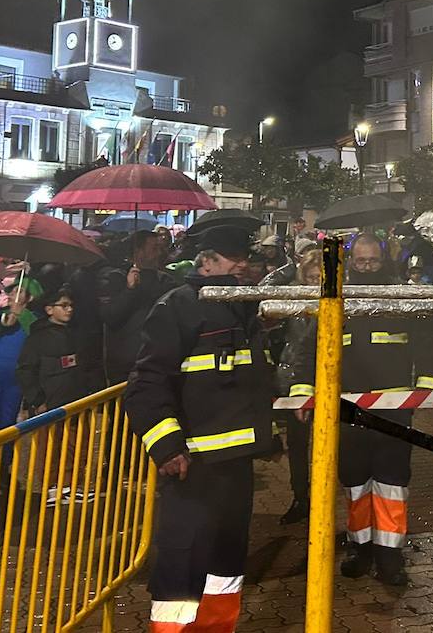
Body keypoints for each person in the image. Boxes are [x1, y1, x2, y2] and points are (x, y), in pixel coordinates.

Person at [125, 225, 272, 633]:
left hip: (236, 464)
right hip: (194, 464)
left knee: (226, 563)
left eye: (245, 257)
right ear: (205, 262)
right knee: (183, 562)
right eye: (232, 257)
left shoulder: (244, 308)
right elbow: (146, 385)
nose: (243, 265)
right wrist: (168, 447)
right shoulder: (179, 306)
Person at [290, 234, 433, 586]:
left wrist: (425, 389)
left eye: (372, 261)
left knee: (392, 484)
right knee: (355, 482)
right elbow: (308, 350)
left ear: (383, 260)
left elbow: (427, 347)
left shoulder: (400, 297)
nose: (366, 268)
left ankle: (390, 556)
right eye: (360, 262)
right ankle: (360, 547)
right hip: (345, 413)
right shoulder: (336, 299)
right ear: (350, 262)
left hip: (393, 414)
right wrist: (303, 392)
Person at [274, 242, 323, 525]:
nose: (315, 283)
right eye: (311, 277)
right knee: (296, 443)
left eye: (321, 278)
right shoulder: (291, 300)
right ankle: (300, 497)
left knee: (325, 443)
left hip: (326, 379)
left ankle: (321, 493)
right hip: (293, 379)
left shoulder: (337, 301)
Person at [100, 231, 177, 384]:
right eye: (154, 248)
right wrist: (130, 290)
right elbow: (111, 316)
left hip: (156, 358)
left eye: (160, 247)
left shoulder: (166, 281)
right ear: (138, 251)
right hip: (124, 361)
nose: (159, 253)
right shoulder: (116, 277)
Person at [16, 290, 106, 414]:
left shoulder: (79, 334)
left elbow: (90, 364)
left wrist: (94, 392)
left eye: (71, 305)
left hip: (79, 406)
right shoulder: (37, 338)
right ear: (49, 310)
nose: (69, 309)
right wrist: (38, 401)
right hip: (49, 410)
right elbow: (26, 371)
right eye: (64, 305)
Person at [0, 268, 42, 437]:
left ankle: (5, 461)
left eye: (18, 291)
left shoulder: (34, 319)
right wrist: (4, 320)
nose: (12, 295)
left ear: (30, 297)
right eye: (11, 291)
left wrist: (22, 315)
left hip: (15, 379)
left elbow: (35, 334)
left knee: (8, 423)